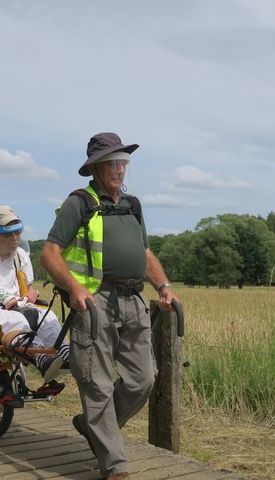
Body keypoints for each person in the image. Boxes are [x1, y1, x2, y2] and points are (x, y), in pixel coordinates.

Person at [40, 132, 178, 480]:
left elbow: (145, 254)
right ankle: (115, 467)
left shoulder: (133, 205)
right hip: (95, 301)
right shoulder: (79, 203)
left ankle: (94, 427)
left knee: (143, 380)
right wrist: (74, 288)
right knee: (97, 384)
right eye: (112, 163)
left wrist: (163, 285)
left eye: (123, 162)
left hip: (133, 301)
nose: (119, 169)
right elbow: (49, 254)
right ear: (96, 168)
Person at [0, 206, 69, 384]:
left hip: (19, 304)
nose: (15, 238)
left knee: (48, 316)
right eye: (8, 233)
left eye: (18, 232)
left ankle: (66, 354)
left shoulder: (20, 255)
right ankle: (42, 358)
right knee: (17, 321)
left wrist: (32, 293)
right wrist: (0, 295)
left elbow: (28, 288)